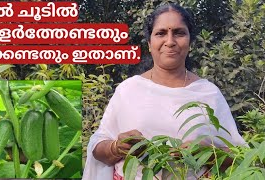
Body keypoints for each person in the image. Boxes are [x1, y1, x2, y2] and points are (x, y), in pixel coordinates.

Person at [82, 3, 246, 180]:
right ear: (150, 44)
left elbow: (239, 156)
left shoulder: (208, 93)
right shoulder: (129, 90)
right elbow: (98, 147)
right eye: (161, 33)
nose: (170, 41)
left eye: (179, 33)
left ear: (190, 42)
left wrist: (207, 153)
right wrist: (117, 147)